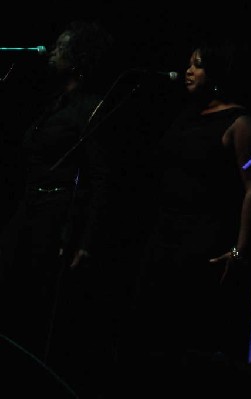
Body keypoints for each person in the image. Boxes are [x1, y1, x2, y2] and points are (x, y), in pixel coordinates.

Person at [120, 35, 251, 396]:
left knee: (185, 336)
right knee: (146, 330)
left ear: (215, 71)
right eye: (188, 63)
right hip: (164, 231)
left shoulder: (239, 121)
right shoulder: (186, 114)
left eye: (197, 64)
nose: (188, 71)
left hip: (202, 239)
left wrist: (240, 249)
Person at [0, 20, 115, 397]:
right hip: (29, 208)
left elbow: (100, 178)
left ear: (78, 58)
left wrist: (85, 240)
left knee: (36, 302)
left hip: (56, 214)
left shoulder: (90, 108)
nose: (52, 52)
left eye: (61, 47)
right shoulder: (52, 105)